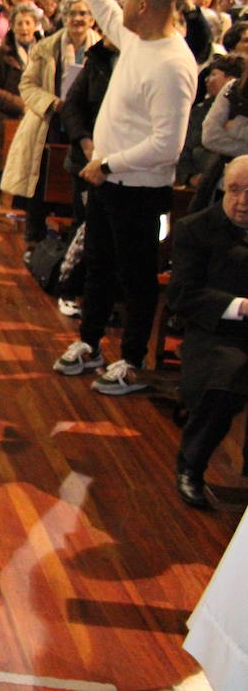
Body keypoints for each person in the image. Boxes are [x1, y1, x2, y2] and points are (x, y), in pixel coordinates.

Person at [52, 0, 197, 394]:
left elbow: (166, 145)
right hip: (108, 179)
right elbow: (106, 10)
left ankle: (132, 360)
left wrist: (108, 162)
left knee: (136, 277)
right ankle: (91, 343)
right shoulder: (137, 35)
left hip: (137, 186)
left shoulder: (174, 65)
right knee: (99, 264)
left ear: (145, 6)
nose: (118, 7)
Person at [167, 155, 248, 508]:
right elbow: (183, 295)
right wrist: (241, 306)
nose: (242, 201)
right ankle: (191, 465)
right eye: (234, 190)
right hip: (217, 332)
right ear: (222, 188)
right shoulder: (196, 228)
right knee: (227, 377)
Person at [2, 0, 98, 243]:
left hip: (84, 127)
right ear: (64, 17)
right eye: (73, 14)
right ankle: (35, 240)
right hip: (49, 123)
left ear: (92, 18)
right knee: (41, 184)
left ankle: (67, 245)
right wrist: (52, 103)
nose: (78, 19)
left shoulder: (99, 48)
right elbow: (28, 85)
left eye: (84, 13)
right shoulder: (47, 47)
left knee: (73, 187)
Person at [0, 2, 41, 224]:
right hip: (0, 117)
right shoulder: (3, 52)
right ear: (12, 26)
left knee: (23, 164)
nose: (24, 28)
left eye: (28, 23)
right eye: (19, 24)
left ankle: (17, 209)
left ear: (35, 26)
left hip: (30, 118)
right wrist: (19, 104)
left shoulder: (42, 52)